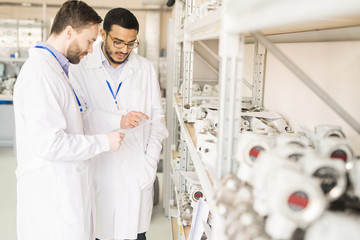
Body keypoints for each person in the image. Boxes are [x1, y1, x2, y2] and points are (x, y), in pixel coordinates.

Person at [13, 1, 125, 240]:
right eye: (88, 41)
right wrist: (103, 143)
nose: (91, 50)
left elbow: (80, 116)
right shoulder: (40, 75)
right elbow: (50, 144)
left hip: (64, 194)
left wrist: (118, 121)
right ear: (70, 31)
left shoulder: (58, 70)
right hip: (51, 202)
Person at [69, 8, 168, 240]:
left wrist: (150, 162)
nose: (124, 50)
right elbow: (80, 116)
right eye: (118, 42)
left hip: (136, 172)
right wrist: (119, 120)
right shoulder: (81, 68)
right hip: (98, 169)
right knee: (98, 230)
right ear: (103, 34)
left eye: (131, 44)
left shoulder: (144, 68)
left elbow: (157, 121)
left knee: (134, 233)